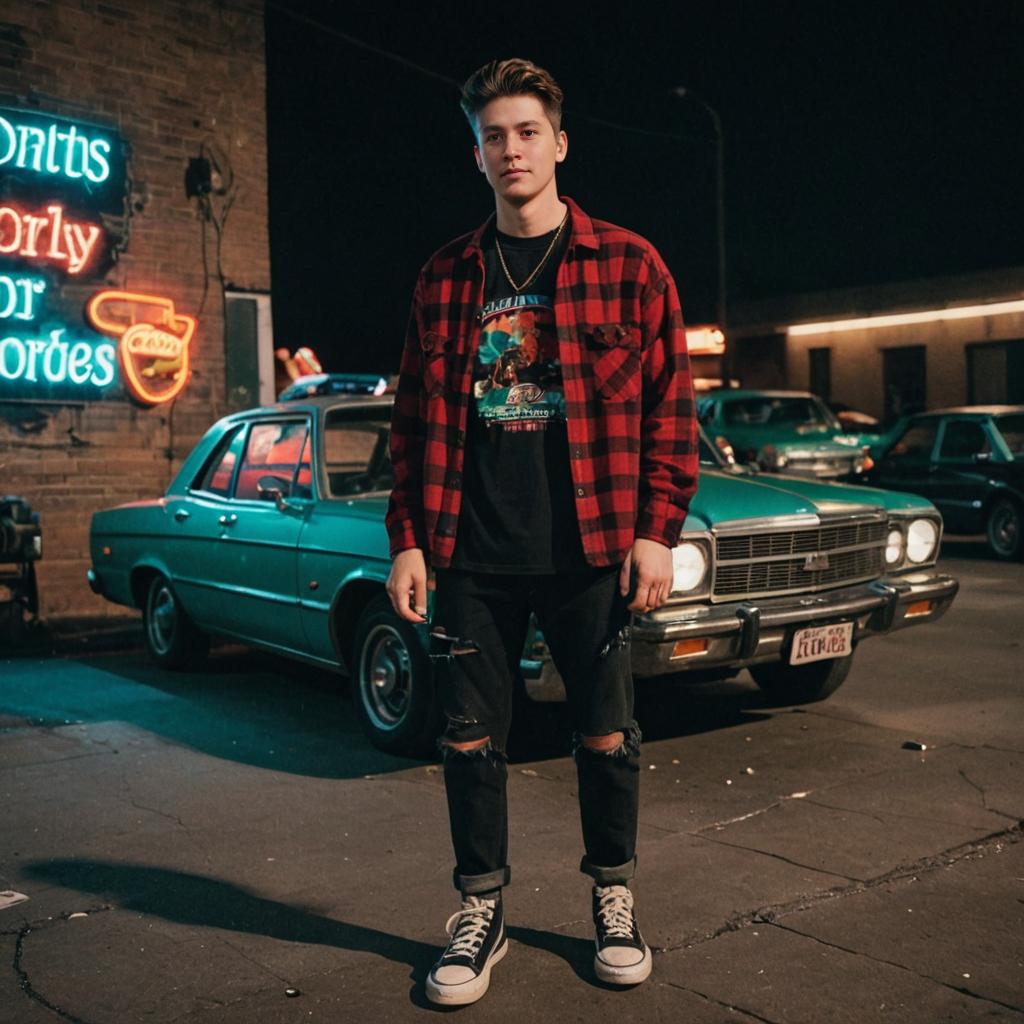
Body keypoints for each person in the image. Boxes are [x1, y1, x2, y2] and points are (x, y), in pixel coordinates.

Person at [385, 57, 698, 1006]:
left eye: (526, 132)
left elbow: (671, 410)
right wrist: (406, 538)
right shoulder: (446, 276)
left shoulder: (631, 264)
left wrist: (656, 530)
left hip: (593, 550)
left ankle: (613, 897)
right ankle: (481, 914)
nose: (510, 149)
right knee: (470, 742)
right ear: (476, 155)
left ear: (559, 144)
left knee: (605, 737)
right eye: (493, 135)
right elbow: (409, 425)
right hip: (470, 553)